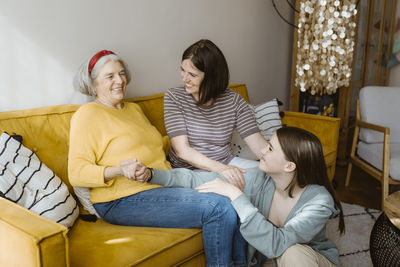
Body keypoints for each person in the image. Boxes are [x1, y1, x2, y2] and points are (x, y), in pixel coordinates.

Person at [68, 49, 247, 267]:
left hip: (160, 184)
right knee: (219, 208)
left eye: (122, 73)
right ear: (93, 83)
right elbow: (76, 173)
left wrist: (187, 143)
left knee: (233, 196)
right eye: (110, 76)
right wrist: (118, 170)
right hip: (121, 199)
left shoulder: (133, 109)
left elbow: (152, 146)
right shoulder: (87, 115)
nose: (120, 80)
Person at [141, 126, 345, 267]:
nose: (263, 150)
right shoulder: (260, 179)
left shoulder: (319, 200)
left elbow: (277, 244)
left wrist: (235, 194)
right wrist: (152, 174)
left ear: (289, 166)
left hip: (312, 261)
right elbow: (199, 179)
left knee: (293, 252)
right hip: (279, 262)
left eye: (271, 148)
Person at [164, 39, 268, 187]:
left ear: (211, 78)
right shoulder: (174, 97)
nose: (184, 78)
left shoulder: (233, 100)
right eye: (183, 70)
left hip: (225, 162)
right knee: (237, 186)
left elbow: (258, 144)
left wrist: (282, 166)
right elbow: (183, 151)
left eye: (192, 75)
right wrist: (222, 169)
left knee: (267, 178)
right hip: (189, 171)